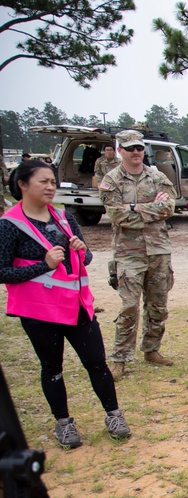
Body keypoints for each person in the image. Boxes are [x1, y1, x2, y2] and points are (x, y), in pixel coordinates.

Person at [0, 160, 130, 447]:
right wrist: (42, 266)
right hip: (39, 312)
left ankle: (114, 414)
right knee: (52, 367)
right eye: (43, 181)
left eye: (52, 182)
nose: (50, 187)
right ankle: (64, 423)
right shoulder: (9, 225)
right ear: (22, 184)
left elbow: (83, 259)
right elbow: (2, 271)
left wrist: (83, 253)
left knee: (96, 363)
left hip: (76, 305)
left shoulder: (64, 217)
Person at [99, 129, 177, 379]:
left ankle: (151, 349)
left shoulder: (156, 176)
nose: (135, 152)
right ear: (119, 149)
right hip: (128, 253)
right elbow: (116, 215)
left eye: (139, 148)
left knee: (158, 305)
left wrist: (133, 206)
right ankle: (120, 358)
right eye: (130, 148)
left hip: (158, 250)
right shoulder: (111, 180)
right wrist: (150, 208)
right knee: (129, 306)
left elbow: (168, 208)